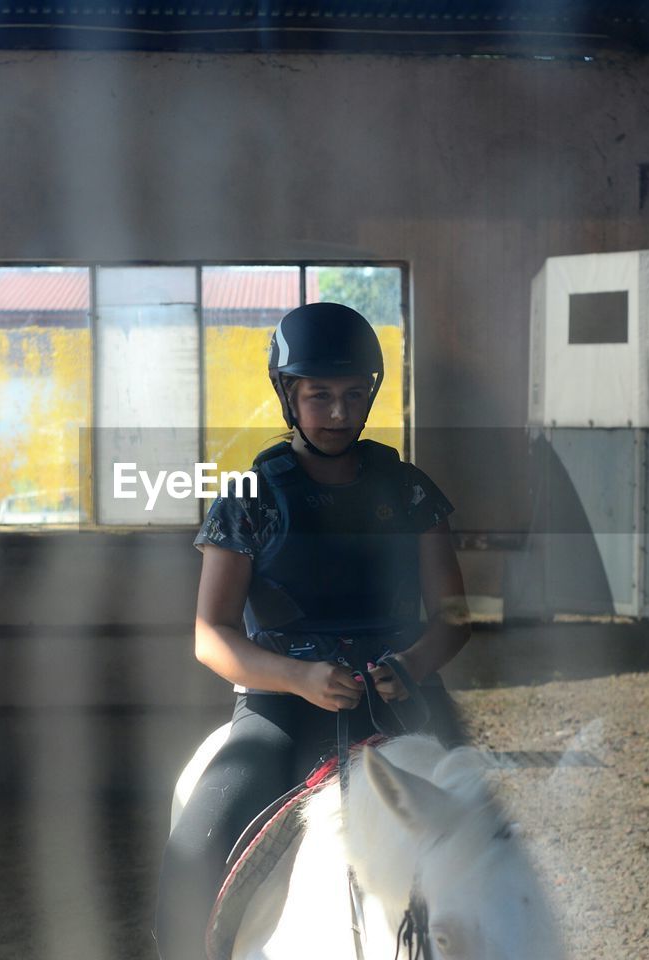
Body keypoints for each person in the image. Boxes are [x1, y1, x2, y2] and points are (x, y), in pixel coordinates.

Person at [154, 302, 472, 960]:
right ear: (288, 395)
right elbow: (210, 634)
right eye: (319, 395)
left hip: (402, 698)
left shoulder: (410, 492)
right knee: (195, 846)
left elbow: (455, 615)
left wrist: (412, 662)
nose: (337, 413)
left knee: (491, 832)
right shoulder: (250, 495)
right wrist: (297, 677)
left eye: (354, 395)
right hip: (280, 707)